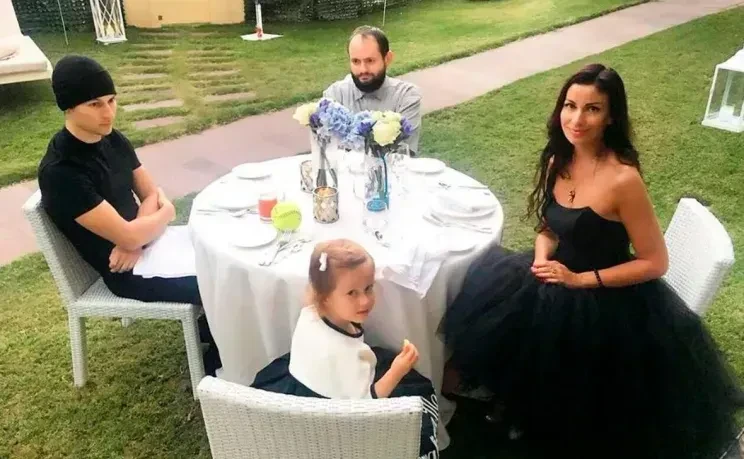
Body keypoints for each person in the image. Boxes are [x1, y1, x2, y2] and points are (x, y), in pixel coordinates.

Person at [441, 63, 741, 459]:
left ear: (611, 116)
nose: (577, 119)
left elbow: (655, 262)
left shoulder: (623, 180)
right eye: (570, 105)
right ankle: (512, 410)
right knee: (489, 309)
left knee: (579, 396)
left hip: (605, 296)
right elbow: (549, 227)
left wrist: (579, 281)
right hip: (553, 275)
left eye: (592, 109)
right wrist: (542, 255)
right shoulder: (559, 160)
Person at [37, 55, 220, 375]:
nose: (108, 113)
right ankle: (222, 363)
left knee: (222, 253)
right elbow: (149, 213)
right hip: (126, 272)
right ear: (68, 107)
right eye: (95, 104)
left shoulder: (112, 139)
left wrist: (136, 236)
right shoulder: (62, 171)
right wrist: (161, 216)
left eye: (111, 100)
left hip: (147, 246)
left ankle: (219, 330)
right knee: (221, 278)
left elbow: (148, 195)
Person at [252, 239, 439, 458]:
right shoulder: (341, 353)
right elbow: (367, 404)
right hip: (339, 414)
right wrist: (398, 370)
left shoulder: (311, 311)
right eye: (352, 293)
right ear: (325, 297)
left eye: (368, 288)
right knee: (415, 394)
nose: (365, 301)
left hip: (303, 383)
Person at [323, 25, 422, 155]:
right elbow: (328, 153)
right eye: (356, 61)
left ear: (387, 58)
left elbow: (404, 155)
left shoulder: (406, 96)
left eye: (370, 60)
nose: (363, 69)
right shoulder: (335, 96)